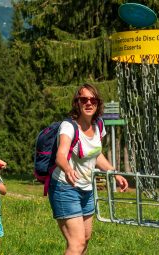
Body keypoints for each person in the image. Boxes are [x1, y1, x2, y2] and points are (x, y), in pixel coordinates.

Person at [48, 83, 129, 255]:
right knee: (76, 244)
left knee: (84, 240)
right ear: (77, 102)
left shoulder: (99, 125)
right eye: (84, 99)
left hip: (87, 189)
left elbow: (96, 155)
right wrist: (68, 169)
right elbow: (61, 155)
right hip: (65, 188)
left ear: (98, 104)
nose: (89, 103)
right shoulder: (68, 127)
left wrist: (114, 173)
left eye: (93, 99)